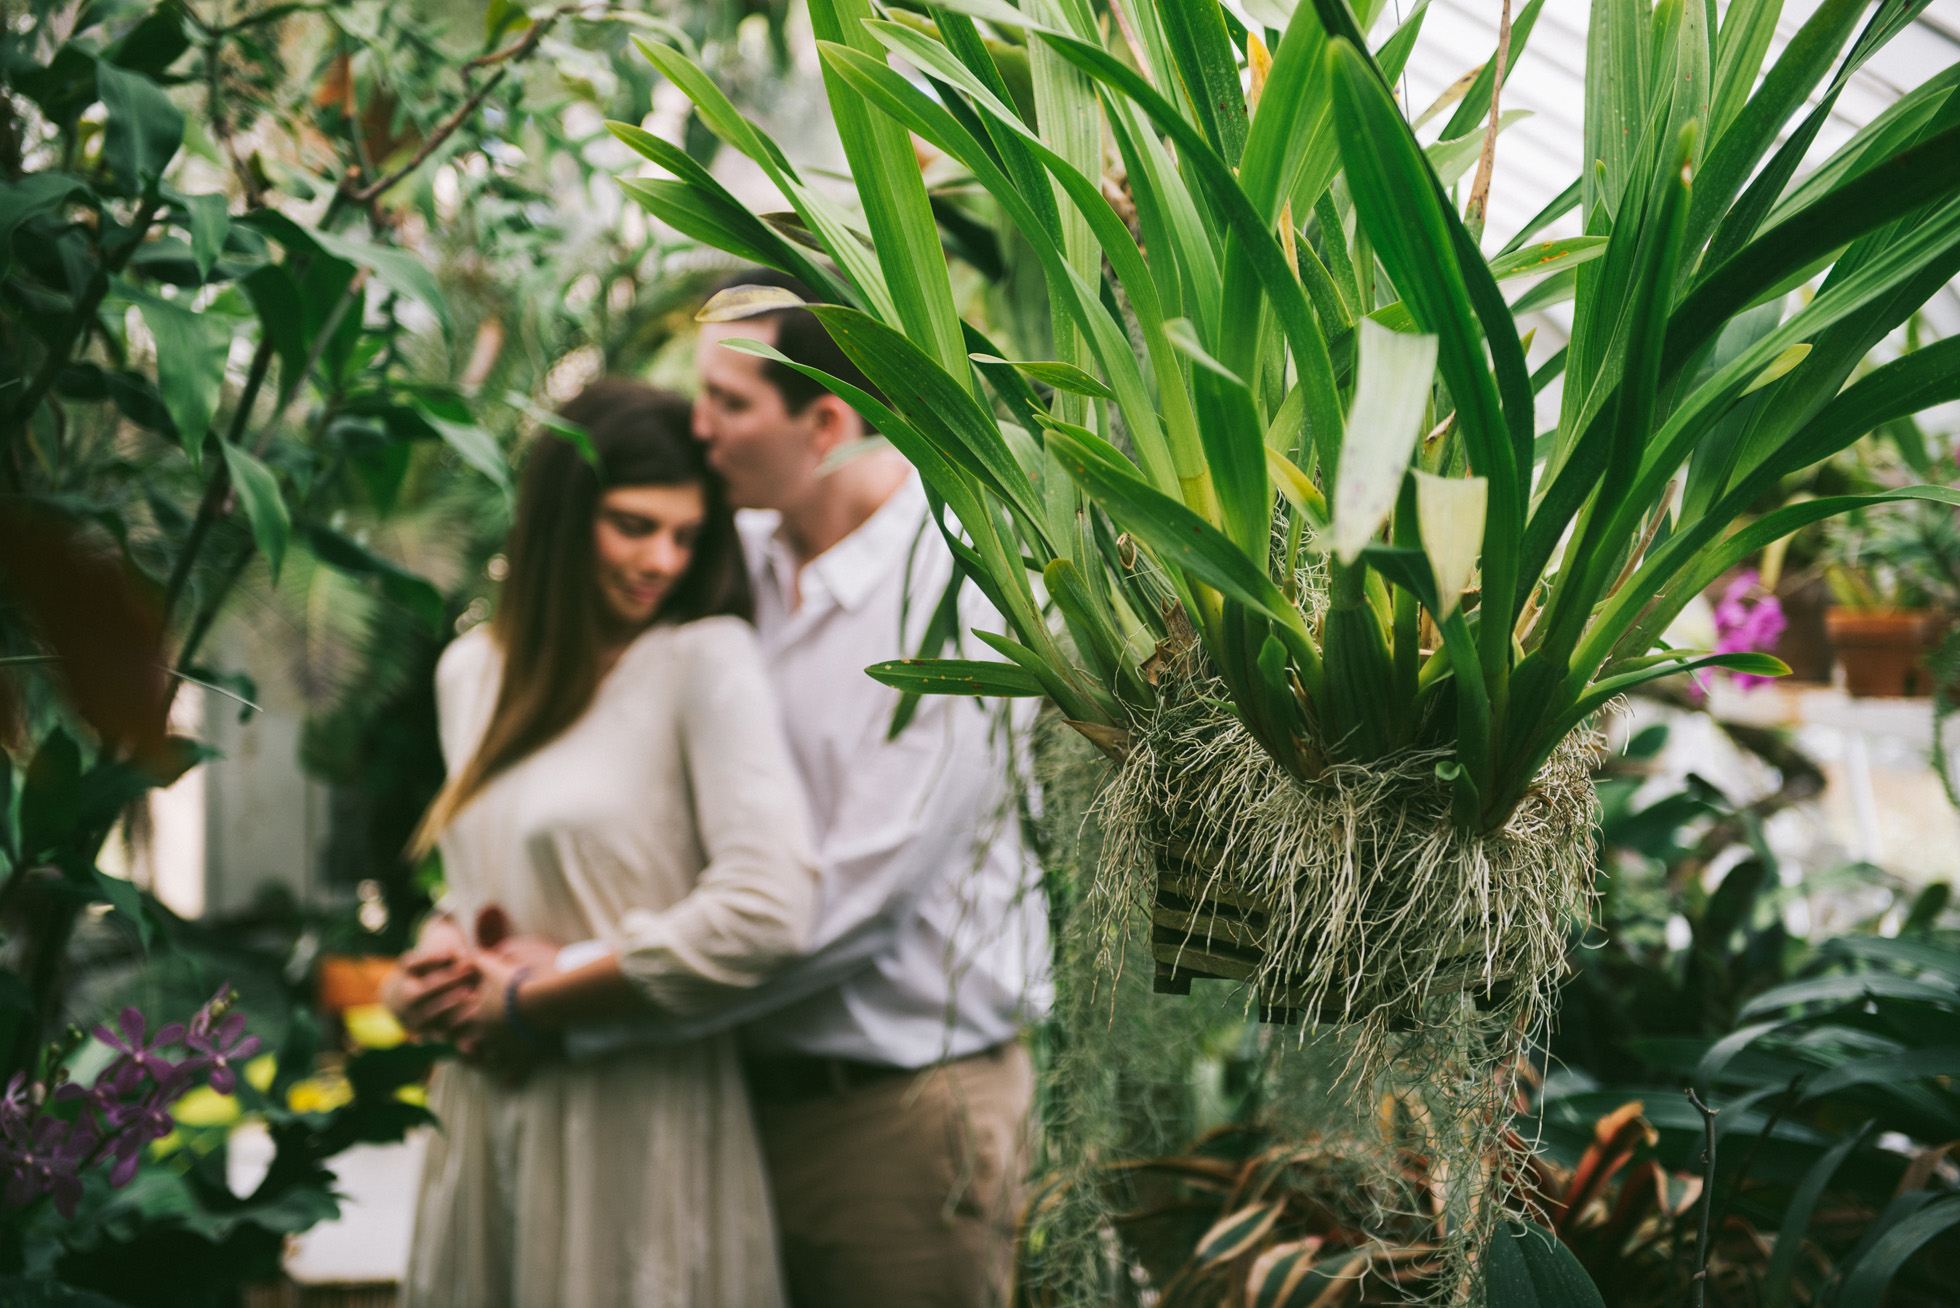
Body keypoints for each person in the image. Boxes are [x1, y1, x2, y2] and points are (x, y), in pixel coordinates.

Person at [417, 268, 1050, 1308]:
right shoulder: (722, 563)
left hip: (887, 1117)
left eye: (729, 402)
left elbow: (848, 904)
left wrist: (561, 994)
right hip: (711, 1098)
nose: (696, 427)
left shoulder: (956, 593)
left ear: (826, 421)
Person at [385, 379, 819, 1308]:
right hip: (487, 1103)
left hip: (631, 1102)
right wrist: (428, 968)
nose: (662, 558)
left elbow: (769, 911)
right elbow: (477, 883)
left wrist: (541, 997)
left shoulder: (703, 662)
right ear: (562, 516)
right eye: (633, 526)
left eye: (684, 534)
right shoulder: (470, 672)